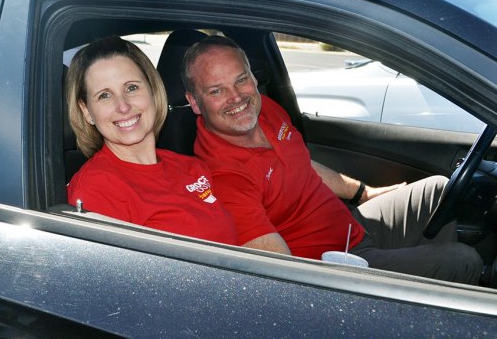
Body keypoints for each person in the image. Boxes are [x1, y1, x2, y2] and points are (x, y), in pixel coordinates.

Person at [181, 34, 484, 284]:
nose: (237, 97)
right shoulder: (223, 179)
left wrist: (364, 192)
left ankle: (422, 294)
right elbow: (281, 276)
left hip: (352, 226)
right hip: (338, 265)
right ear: (194, 102)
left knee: (437, 190)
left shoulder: (266, 110)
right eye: (216, 90)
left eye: (241, 80)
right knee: (463, 260)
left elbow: (301, 163)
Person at [66, 36, 237, 245]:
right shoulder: (95, 191)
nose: (123, 106)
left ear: (152, 90)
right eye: (104, 95)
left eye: (131, 88)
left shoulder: (191, 166)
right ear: (86, 112)